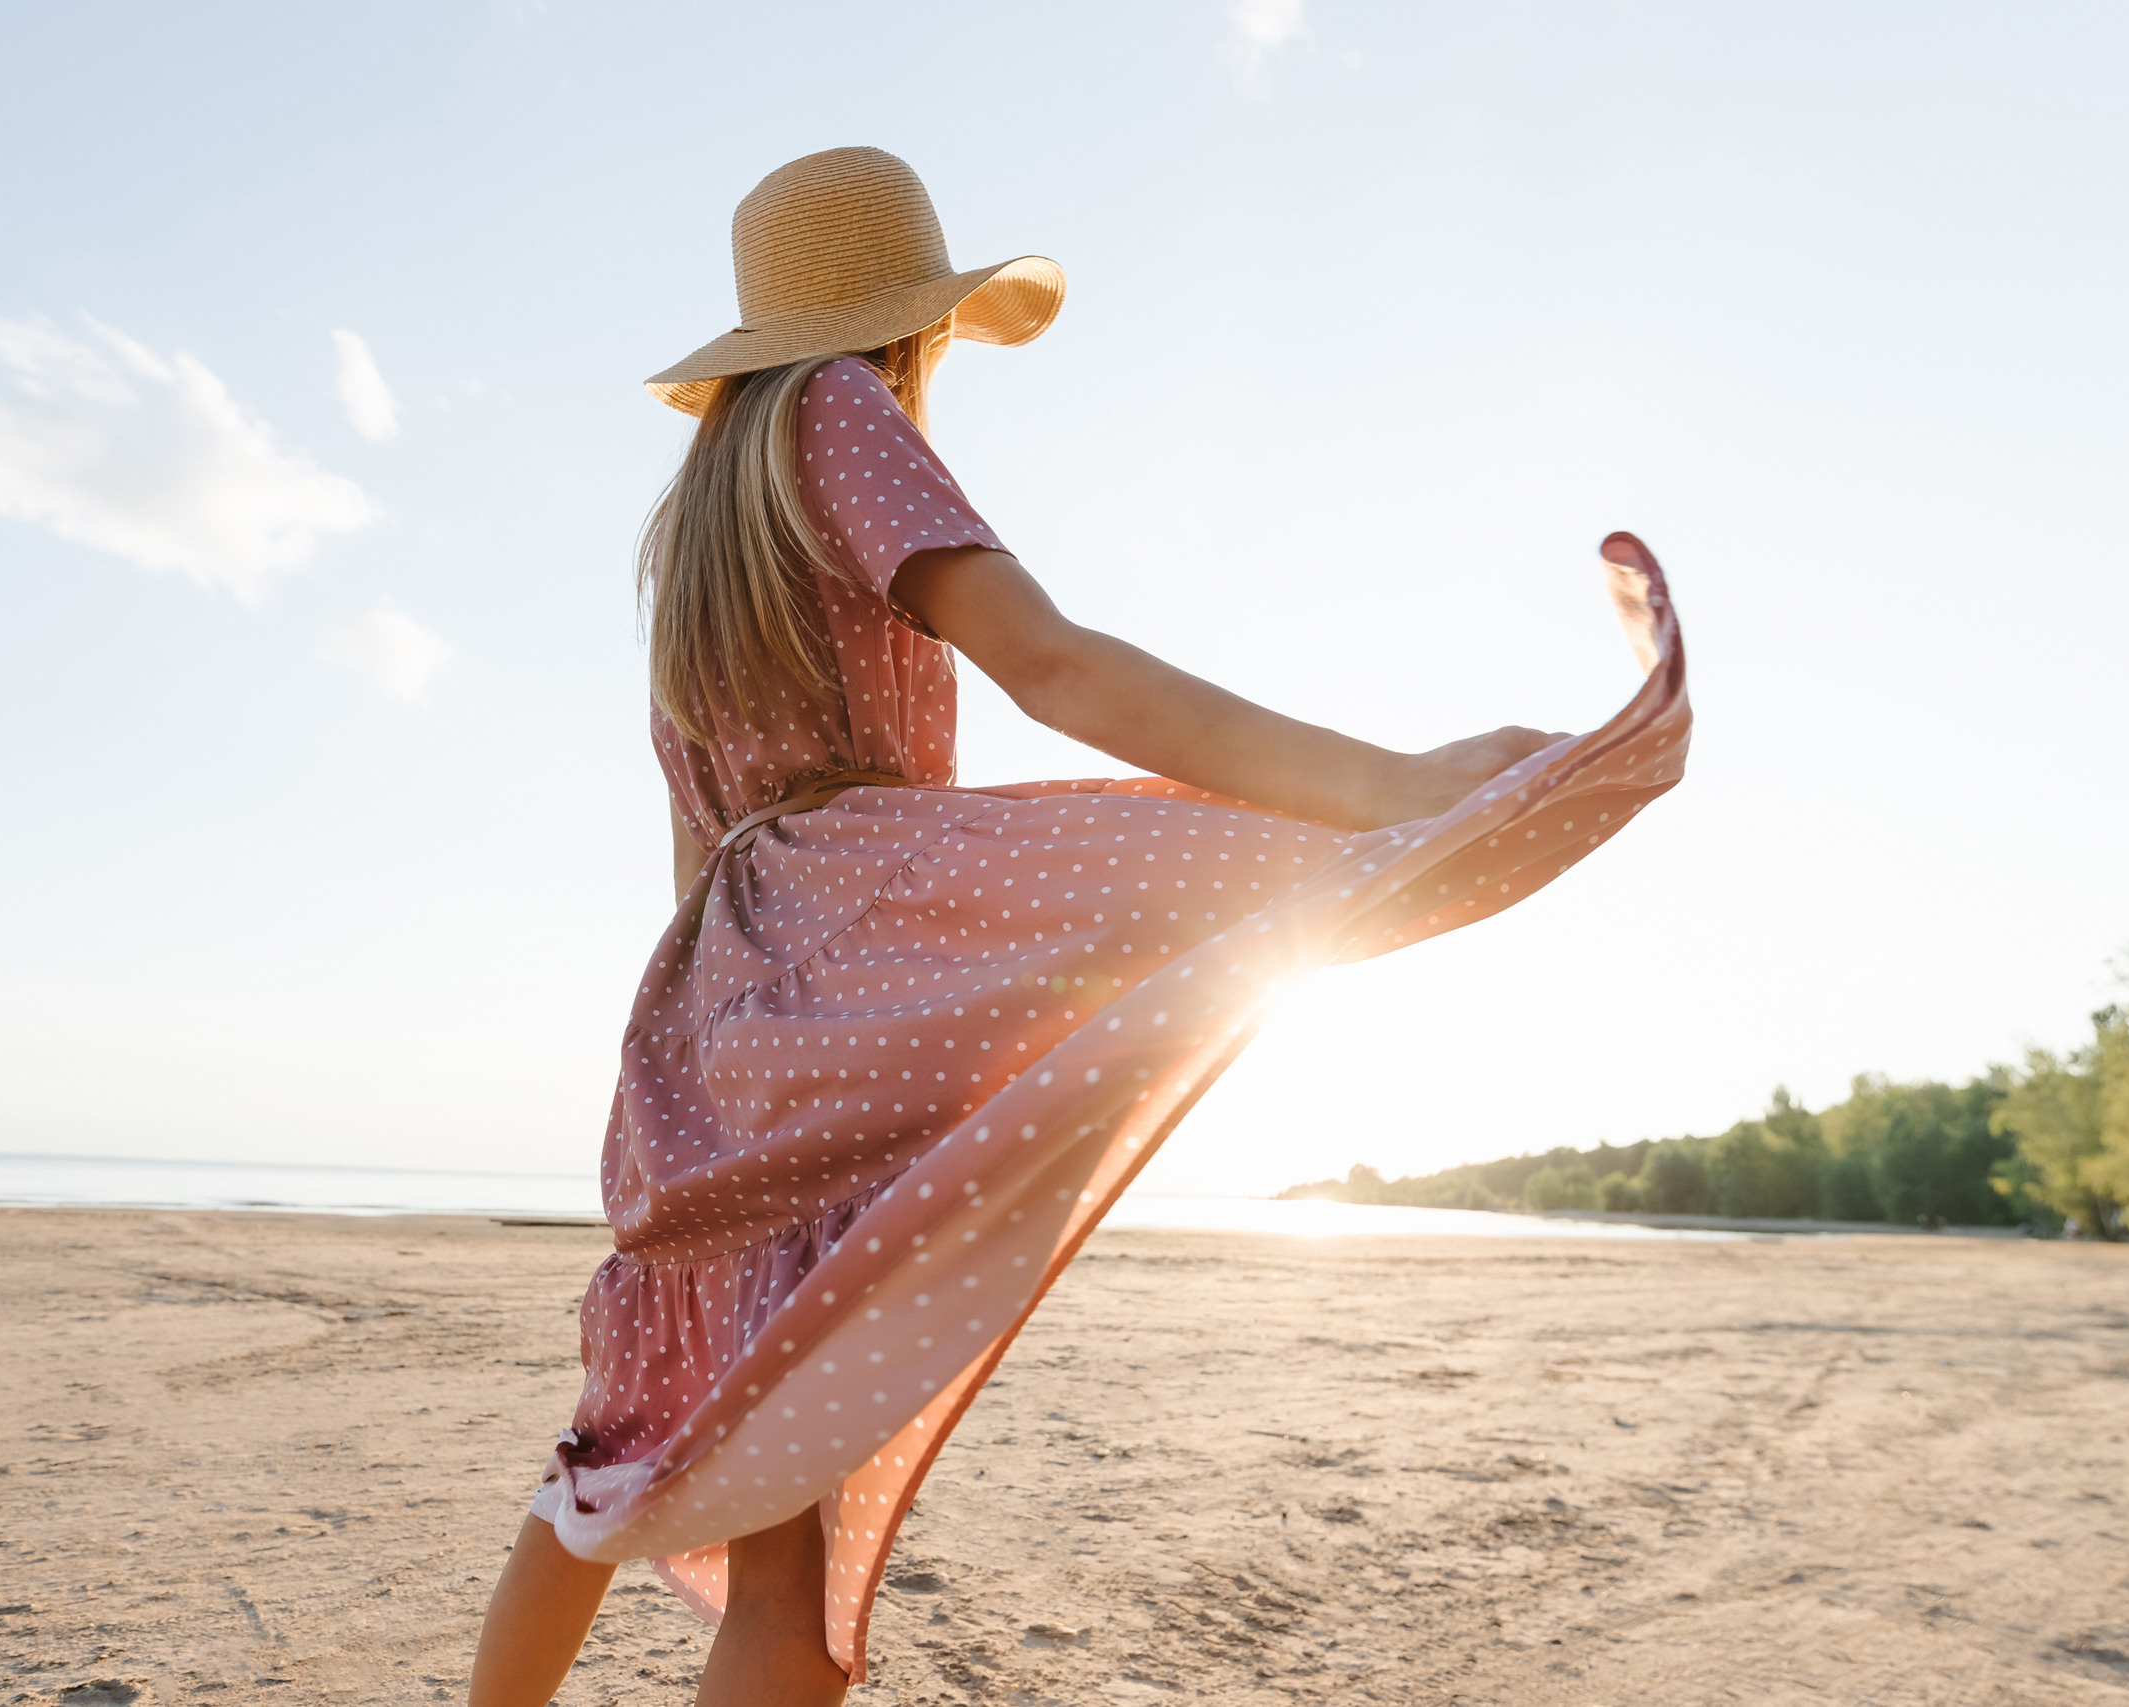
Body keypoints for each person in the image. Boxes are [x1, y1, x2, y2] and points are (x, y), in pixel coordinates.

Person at [469, 146, 1691, 1706]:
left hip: (719, 992)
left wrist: (712, 1074)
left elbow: (697, 840)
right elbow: (1051, 665)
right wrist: (1389, 784)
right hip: (855, 923)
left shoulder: (701, 510)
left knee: (612, 1458)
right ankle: (1439, 800)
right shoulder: (846, 410)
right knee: (1221, 878)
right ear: (908, 325)